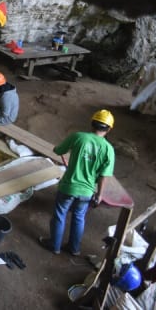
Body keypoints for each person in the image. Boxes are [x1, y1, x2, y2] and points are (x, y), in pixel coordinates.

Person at [39, 109, 115, 256]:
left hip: (68, 187)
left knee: (60, 215)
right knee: (79, 217)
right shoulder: (109, 150)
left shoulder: (78, 137)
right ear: (109, 129)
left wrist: (60, 150)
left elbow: (58, 150)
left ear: (92, 123)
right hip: (87, 191)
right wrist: (99, 195)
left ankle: (54, 245)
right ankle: (74, 248)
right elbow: (104, 176)